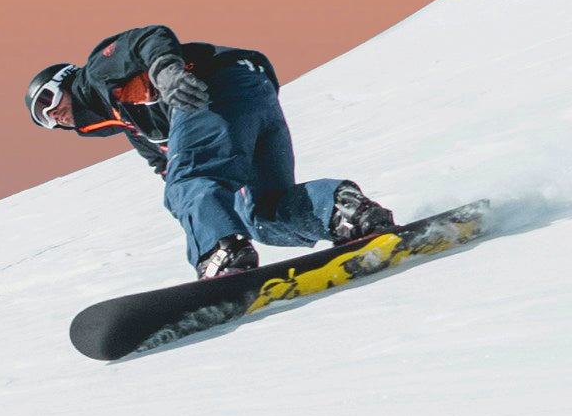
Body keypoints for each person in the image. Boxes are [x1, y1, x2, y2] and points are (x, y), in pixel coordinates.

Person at [26, 24, 396, 281]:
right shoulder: (134, 126)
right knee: (261, 212)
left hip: (215, 86)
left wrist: (166, 72)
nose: (51, 115)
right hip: (255, 95)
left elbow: (147, 38)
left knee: (190, 181)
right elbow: (166, 165)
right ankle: (343, 212)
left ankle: (220, 252)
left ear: (64, 80)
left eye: (47, 100)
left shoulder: (95, 73)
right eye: (42, 119)